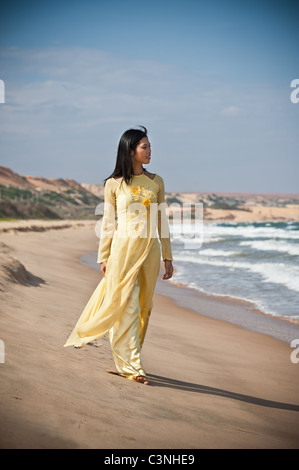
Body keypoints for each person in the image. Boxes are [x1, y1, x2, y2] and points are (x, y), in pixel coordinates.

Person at [64, 126, 174, 385]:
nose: (149, 151)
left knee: (144, 307)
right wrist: (103, 257)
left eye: (149, 146)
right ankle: (131, 366)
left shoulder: (157, 181)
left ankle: (131, 355)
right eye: (144, 147)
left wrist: (167, 257)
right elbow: (108, 222)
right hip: (123, 251)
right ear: (131, 151)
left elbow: (162, 221)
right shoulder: (113, 184)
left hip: (150, 251)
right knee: (128, 303)